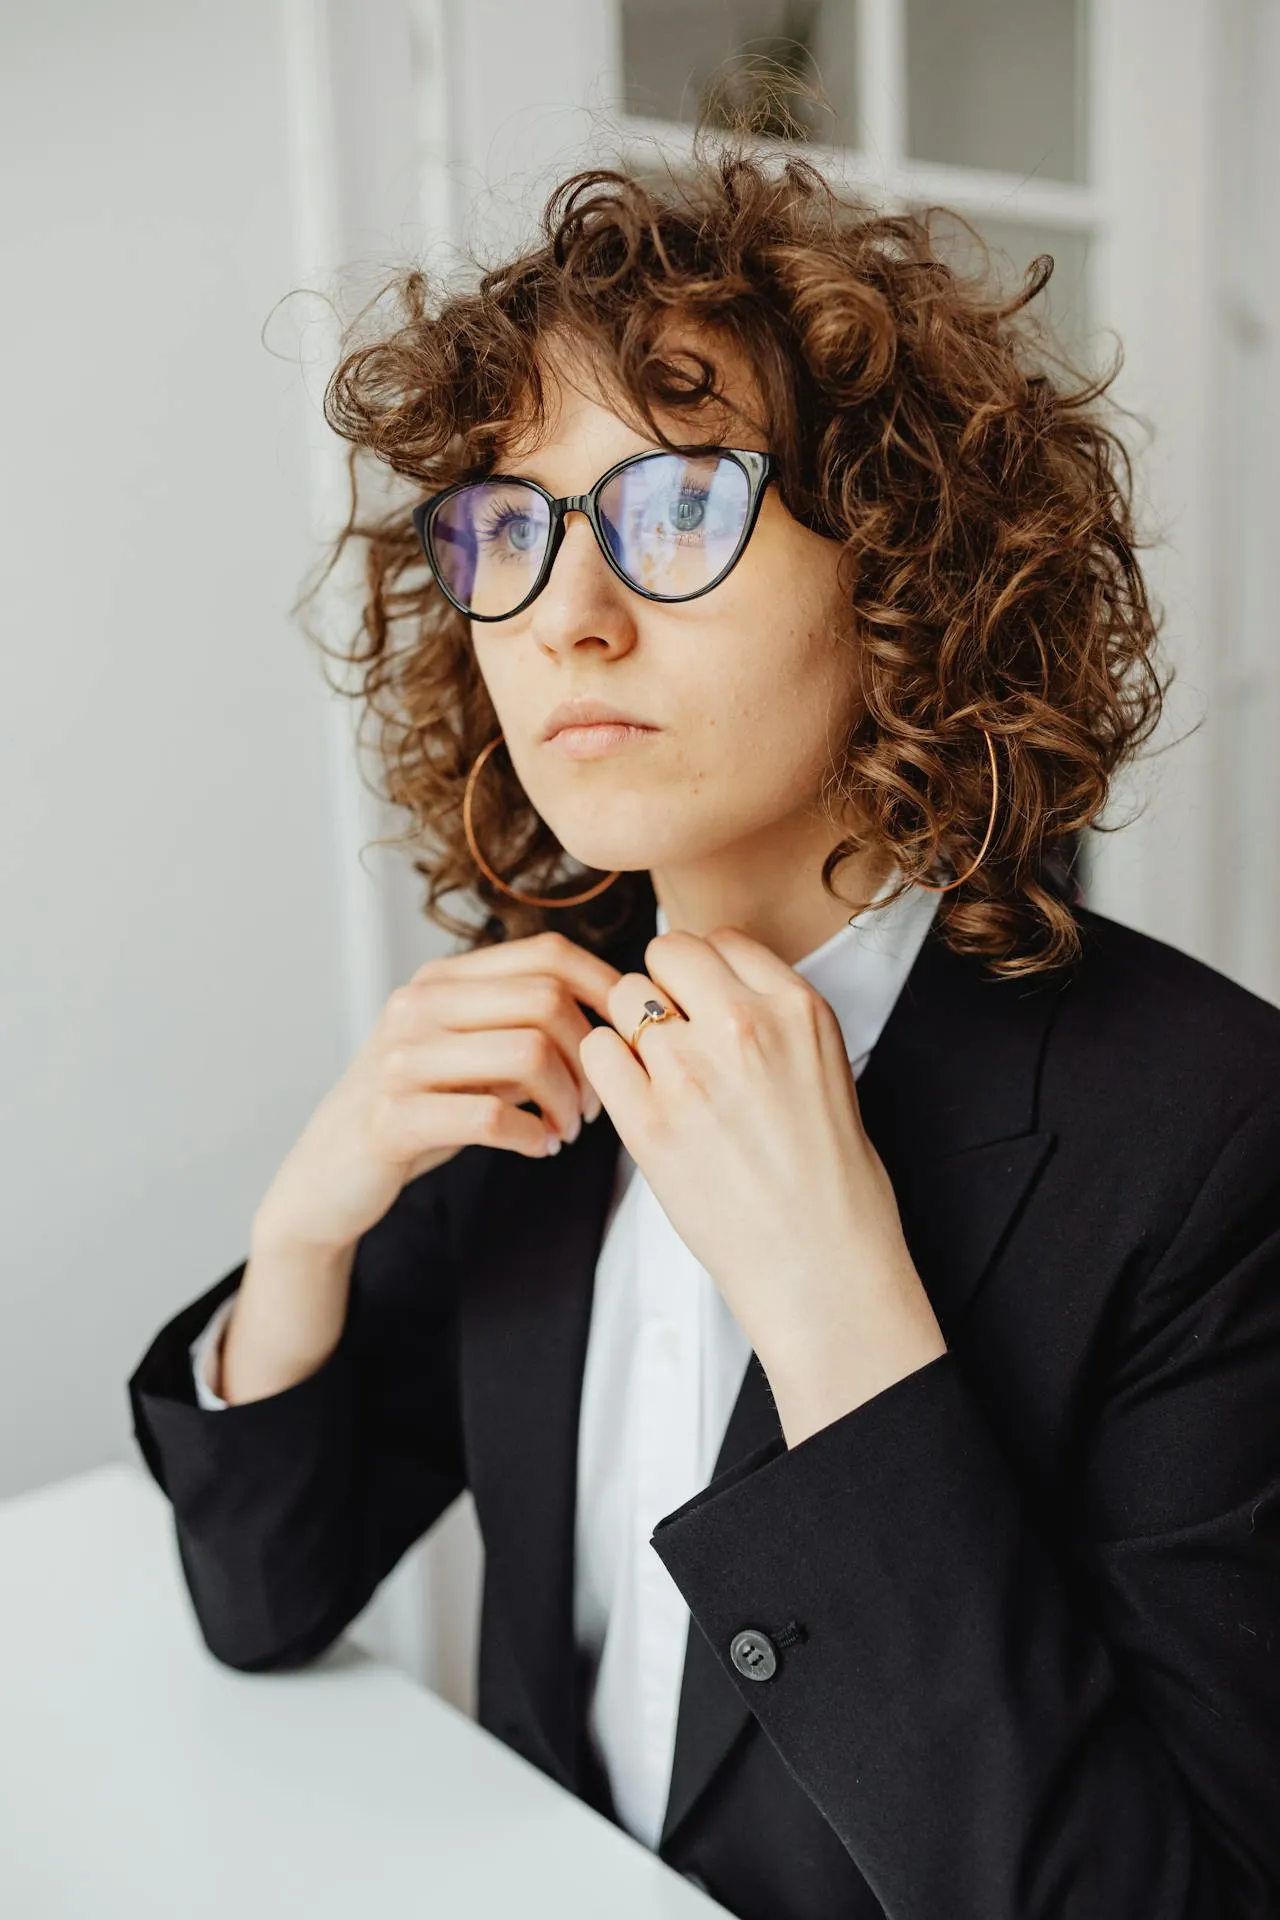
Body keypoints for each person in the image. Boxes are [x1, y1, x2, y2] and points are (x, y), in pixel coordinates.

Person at [128, 139, 1280, 1920]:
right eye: (510, 529)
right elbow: (262, 1599)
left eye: (677, 508)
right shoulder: (544, 1033)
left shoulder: (1212, 1132)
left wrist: (837, 1305)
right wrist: (308, 1229)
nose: (568, 621)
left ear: (905, 565)